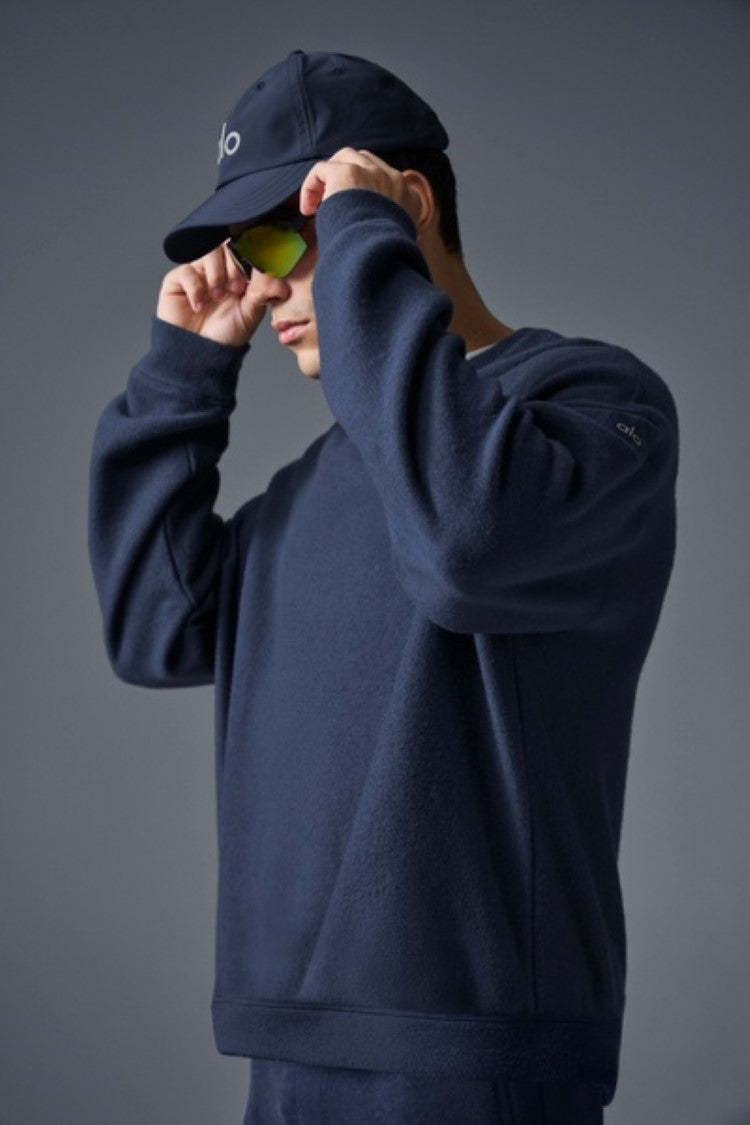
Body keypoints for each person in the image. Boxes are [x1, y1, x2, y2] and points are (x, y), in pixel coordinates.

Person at [88, 49, 679, 1123]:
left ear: (406, 205)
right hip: (287, 1047)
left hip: (474, 1057)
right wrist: (181, 374)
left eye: (293, 232)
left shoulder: (586, 403)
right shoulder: (304, 491)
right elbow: (156, 629)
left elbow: (468, 545)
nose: (268, 284)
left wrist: (365, 236)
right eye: (249, 251)